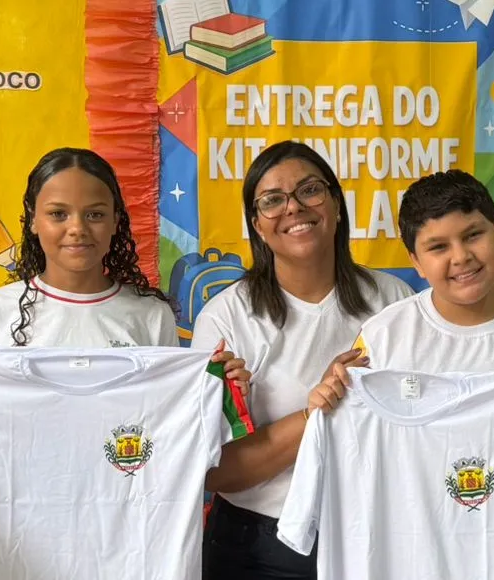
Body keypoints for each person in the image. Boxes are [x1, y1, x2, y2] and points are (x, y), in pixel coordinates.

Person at [308, 169, 494, 580]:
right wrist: (326, 404)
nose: (461, 257)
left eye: (473, 235)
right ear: (415, 261)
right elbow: (354, 459)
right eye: (438, 246)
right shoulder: (383, 338)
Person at [193, 140, 417, 580]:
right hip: (257, 547)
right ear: (257, 225)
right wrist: (315, 413)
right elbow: (216, 473)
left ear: (336, 204)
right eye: (272, 200)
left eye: (310, 190)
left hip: (374, 534)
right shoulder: (226, 317)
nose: (293, 207)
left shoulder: (394, 301)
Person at [0, 148, 248, 402]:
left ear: (116, 222)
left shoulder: (151, 315)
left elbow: (168, 411)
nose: (77, 229)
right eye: (58, 214)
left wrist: (217, 388)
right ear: (33, 220)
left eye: (94, 215)